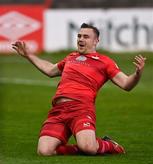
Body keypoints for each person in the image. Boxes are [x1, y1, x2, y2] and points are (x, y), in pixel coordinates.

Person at [12, 23, 146, 156]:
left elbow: (126, 84)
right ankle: (79, 148)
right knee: (44, 151)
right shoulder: (71, 57)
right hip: (58, 110)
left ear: (96, 41)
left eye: (86, 37)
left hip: (81, 109)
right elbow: (50, 69)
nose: (81, 39)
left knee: (88, 147)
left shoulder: (105, 62)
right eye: (79, 36)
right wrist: (29, 55)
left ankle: (111, 145)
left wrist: (137, 74)